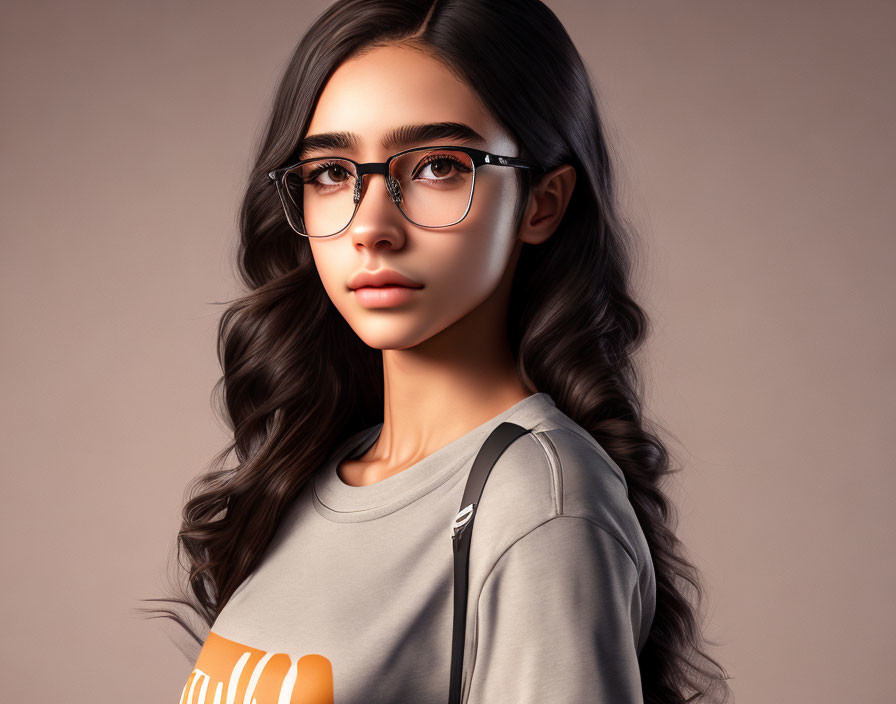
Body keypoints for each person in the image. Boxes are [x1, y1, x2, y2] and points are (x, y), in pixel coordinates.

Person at [142, 1, 732, 702]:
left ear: (542, 202)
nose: (372, 226)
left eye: (438, 166)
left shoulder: (539, 504)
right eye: (331, 172)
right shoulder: (311, 473)